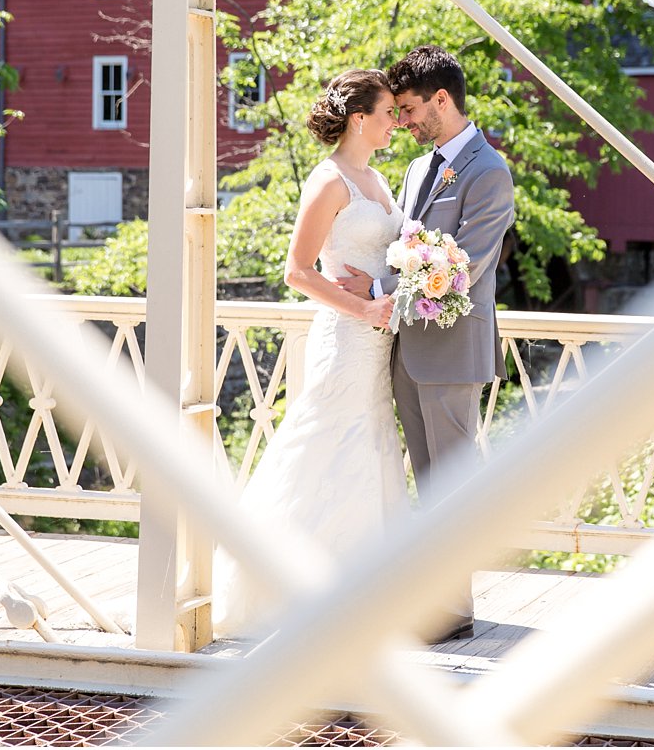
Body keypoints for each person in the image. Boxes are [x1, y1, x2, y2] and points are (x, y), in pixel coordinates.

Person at [211, 69, 403, 639]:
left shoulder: (378, 181)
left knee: (369, 451)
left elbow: (384, 260)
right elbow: (297, 271)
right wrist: (364, 311)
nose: (397, 121)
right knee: (322, 447)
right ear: (359, 118)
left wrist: (395, 291)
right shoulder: (331, 180)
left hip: (377, 340)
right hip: (345, 339)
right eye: (389, 111)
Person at [338, 45, 517, 644]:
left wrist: (379, 287)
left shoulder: (489, 172)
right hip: (404, 349)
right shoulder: (418, 170)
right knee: (424, 475)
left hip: (452, 350)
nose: (405, 121)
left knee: (453, 480)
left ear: (443, 99)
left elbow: (464, 266)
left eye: (412, 108)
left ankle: (453, 610)